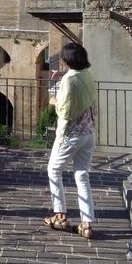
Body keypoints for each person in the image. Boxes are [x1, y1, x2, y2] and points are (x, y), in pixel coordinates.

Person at [43, 42, 99, 239]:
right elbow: (80, 94)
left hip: (71, 134)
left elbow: (66, 111)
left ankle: (60, 215)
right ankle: (86, 223)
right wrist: (62, 78)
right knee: (82, 175)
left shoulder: (69, 80)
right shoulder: (87, 74)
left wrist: (54, 101)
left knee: (54, 170)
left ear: (67, 60)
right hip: (89, 132)